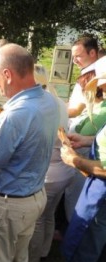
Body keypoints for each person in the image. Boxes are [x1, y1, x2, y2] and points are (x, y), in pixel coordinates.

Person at [0, 43, 59, 262]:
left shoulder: (14, 116)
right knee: (18, 258)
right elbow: (26, 129)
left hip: (8, 207)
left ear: (7, 74)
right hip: (34, 197)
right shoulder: (48, 101)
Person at [59, 57, 106, 262]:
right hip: (97, 191)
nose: (102, 93)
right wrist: (88, 139)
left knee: (85, 250)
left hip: (101, 198)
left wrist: (75, 161)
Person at [28, 66, 76, 262]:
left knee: (37, 219)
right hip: (65, 171)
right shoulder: (56, 99)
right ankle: (45, 251)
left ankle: (32, 259)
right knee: (49, 214)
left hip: (51, 173)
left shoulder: (42, 104)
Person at [64, 35, 100, 223]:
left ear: (92, 52)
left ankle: (74, 228)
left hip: (85, 145)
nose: (74, 60)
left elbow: (77, 109)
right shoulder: (90, 72)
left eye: (78, 56)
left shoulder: (92, 75)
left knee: (76, 191)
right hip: (85, 140)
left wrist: (55, 108)